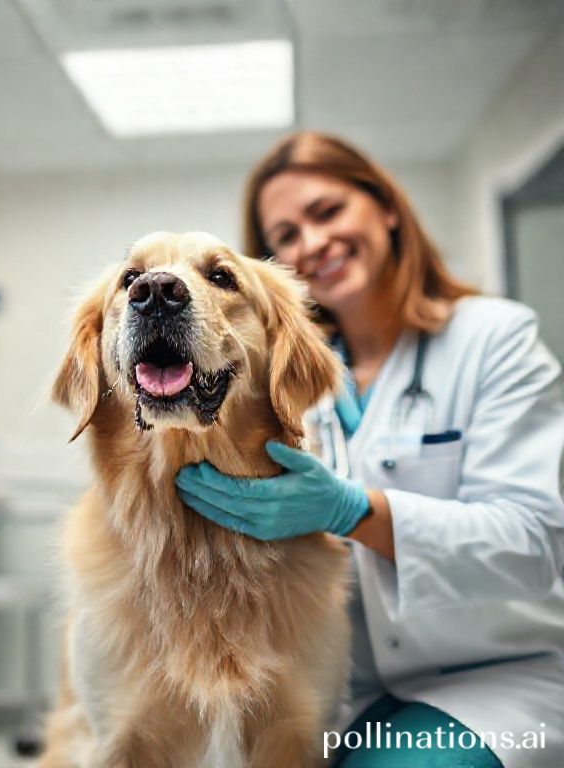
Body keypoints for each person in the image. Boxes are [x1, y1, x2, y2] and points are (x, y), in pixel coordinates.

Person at [175, 132, 564, 767]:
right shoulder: (283, 378)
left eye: (327, 212)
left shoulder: (495, 339)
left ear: (385, 206)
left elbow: (534, 543)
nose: (313, 243)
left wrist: (351, 511)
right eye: (285, 237)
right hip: (339, 689)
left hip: (490, 681)